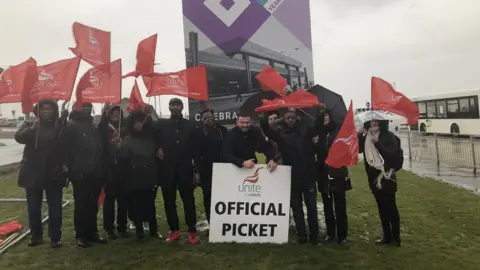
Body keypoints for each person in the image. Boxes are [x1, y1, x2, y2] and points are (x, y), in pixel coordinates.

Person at [261, 109, 320, 245]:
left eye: (292, 118)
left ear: (297, 118)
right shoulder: (281, 134)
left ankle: (314, 236)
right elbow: (267, 130)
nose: (290, 120)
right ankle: (302, 235)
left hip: (308, 175)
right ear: (284, 120)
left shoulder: (306, 130)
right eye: (287, 118)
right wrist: (264, 116)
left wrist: (320, 113)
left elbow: (318, 127)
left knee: (311, 207)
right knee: (296, 207)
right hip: (292, 176)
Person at [14, 100, 68, 248]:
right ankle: (36, 236)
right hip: (33, 174)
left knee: (55, 209)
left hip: (54, 174)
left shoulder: (59, 126)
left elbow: (66, 145)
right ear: (38, 110)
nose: (46, 111)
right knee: (34, 209)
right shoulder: (30, 124)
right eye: (43, 109)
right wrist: (31, 129)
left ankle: (55, 238)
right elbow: (18, 137)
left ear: (53, 110)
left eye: (49, 109)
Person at [156, 98, 200, 244]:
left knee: (188, 201)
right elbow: (152, 137)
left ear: (182, 107)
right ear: (168, 107)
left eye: (177, 105)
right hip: (167, 170)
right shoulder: (162, 124)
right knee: (169, 202)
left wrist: (197, 170)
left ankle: (192, 232)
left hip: (185, 169)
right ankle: (174, 230)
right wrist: (158, 148)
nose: (174, 107)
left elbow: (196, 150)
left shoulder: (190, 125)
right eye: (171, 105)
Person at [65, 102, 106, 248]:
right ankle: (81, 235)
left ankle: (92, 233)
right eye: (83, 106)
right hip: (80, 174)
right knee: (81, 205)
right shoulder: (71, 125)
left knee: (93, 205)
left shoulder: (93, 125)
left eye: (89, 106)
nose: (87, 108)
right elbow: (65, 148)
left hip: (96, 172)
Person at [116, 110, 160, 241]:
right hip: (134, 176)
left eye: (140, 122)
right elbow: (121, 158)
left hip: (150, 175)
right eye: (135, 123)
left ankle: (154, 230)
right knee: (137, 205)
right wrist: (119, 148)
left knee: (150, 205)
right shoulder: (128, 139)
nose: (138, 125)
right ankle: (139, 231)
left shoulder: (151, 138)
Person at [358, 119, 401, 247]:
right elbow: (360, 150)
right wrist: (359, 135)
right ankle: (386, 236)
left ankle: (396, 238)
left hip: (387, 178)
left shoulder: (389, 136)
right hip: (373, 179)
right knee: (382, 208)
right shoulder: (367, 136)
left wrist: (378, 144)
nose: (373, 124)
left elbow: (392, 155)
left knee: (391, 208)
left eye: (376, 122)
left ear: (381, 123)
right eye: (371, 122)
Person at [316, 111, 351, 244]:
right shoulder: (318, 133)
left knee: (340, 206)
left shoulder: (337, 132)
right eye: (323, 116)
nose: (325, 119)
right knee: (327, 206)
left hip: (337, 173)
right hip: (323, 174)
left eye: (327, 116)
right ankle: (330, 233)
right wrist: (315, 143)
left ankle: (342, 235)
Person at [97, 105, 128, 239]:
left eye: (118, 112)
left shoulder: (125, 128)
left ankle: (122, 227)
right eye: (112, 112)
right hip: (109, 169)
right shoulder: (104, 128)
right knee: (109, 201)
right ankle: (108, 228)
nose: (115, 114)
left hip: (123, 168)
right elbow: (100, 137)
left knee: (123, 201)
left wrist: (122, 143)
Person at [193, 109, 227, 226]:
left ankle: (223, 222)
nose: (209, 119)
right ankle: (211, 222)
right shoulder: (199, 132)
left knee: (222, 195)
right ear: (202, 120)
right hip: (206, 170)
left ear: (214, 116)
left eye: (210, 116)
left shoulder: (222, 130)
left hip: (222, 168)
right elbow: (196, 153)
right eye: (205, 118)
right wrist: (197, 171)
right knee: (208, 196)